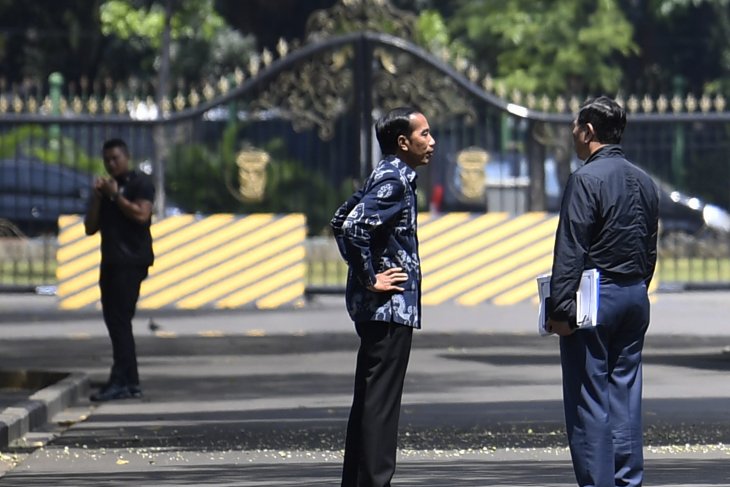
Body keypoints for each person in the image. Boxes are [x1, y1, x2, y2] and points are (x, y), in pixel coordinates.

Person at [546, 96, 659, 487]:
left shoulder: (584, 179)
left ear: (588, 132)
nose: (573, 136)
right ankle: (629, 480)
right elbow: (649, 247)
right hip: (634, 295)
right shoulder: (644, 180)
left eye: (575, 129)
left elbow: (571, 248)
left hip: (595, 298)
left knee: (589, 399)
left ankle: (598, 482)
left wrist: (559, 310)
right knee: (624, 396)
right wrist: (638, 287)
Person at [331, 107, 435, 487]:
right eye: (424, 134)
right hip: (388, 310)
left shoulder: (388, 175)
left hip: (381, 310)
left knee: (371, 400)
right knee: (381, 405)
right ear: (402, 142)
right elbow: (354, 226)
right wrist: (370, 278)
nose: (432, 141)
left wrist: (364, 276)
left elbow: (340, 220)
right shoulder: (394, 181)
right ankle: (375, 480)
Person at [84, 138, 155, 402]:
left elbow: (141, 215)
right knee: (115, 322)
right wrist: (98, 198)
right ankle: (128, 379)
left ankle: (122, 379)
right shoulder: (106, 191)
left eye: (115, 158)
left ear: (126, 157)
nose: (111, 164)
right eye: (107, 160)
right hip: (111, 261)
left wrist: (117, 196)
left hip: (132, 261)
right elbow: (90, 227)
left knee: (120, 321)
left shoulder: (140, 184)